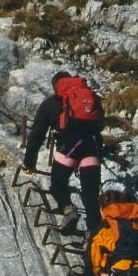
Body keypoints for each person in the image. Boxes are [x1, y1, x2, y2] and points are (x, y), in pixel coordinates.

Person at [21, 70, 104, 234]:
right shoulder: (89, 97)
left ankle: (68, 209)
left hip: (70, 148)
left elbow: (37, 135)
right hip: (91, 147)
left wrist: (29, 162)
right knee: (90, 193)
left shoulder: (50, 104)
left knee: (58, 183)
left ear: (56, 86)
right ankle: (93, 233)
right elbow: (100, 124)